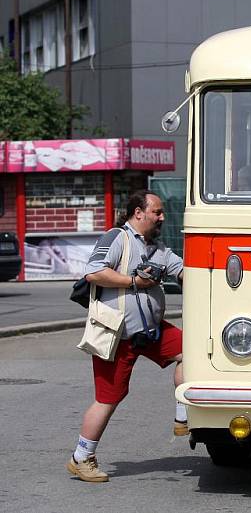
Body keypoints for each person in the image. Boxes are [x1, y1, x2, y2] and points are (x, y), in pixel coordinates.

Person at [66, 190, 185, 483]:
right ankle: (81, 458)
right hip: (117, 335)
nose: (161, 217)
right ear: (138, 213)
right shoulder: (117, 238)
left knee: (194, 352)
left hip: (151, 331)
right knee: (108, 398)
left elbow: (183, 270)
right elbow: (93, 273)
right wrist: (134, 281)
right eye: (156, 212)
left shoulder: (156, 247)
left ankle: (184, 416)